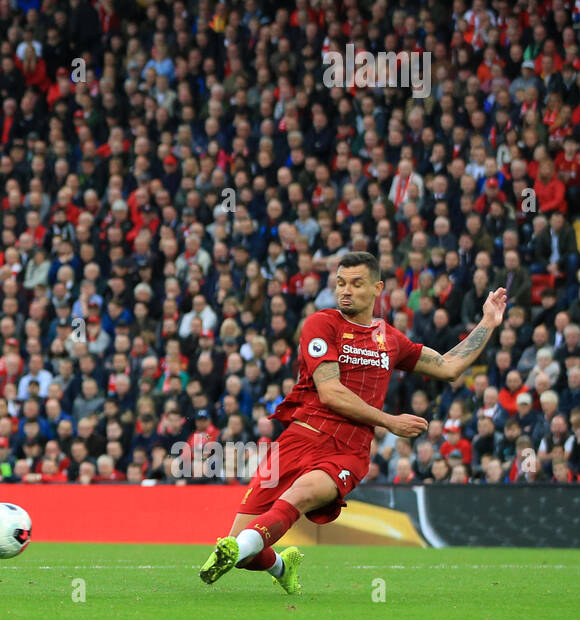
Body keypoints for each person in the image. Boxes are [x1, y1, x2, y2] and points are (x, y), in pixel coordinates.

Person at [199, 252, 506, 594]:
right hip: (299, 438)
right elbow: (330, 393)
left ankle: (234, 550)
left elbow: (448, 367)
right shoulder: (322, 324)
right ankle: (280, 566)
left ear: (377, 288)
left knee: (298, 497)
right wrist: (390, 421)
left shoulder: (390, 340)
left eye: (356, 284)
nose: (345, 291)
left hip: (347, 450)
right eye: (341, 283)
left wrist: (488, 323)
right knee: (244, 550)